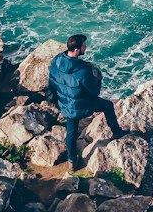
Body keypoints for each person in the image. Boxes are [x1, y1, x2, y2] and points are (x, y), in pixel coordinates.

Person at [47, 33, 125, 170]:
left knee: (71, 131)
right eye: (84, 45)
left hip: (65, 104)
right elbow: (94, 91)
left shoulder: (57, 60)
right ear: (77, 50)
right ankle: (117, 132)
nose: (86, 47)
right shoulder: (83, 70)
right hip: (81, 106)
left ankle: (71, 160)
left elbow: (51, 82)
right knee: (107, 105)